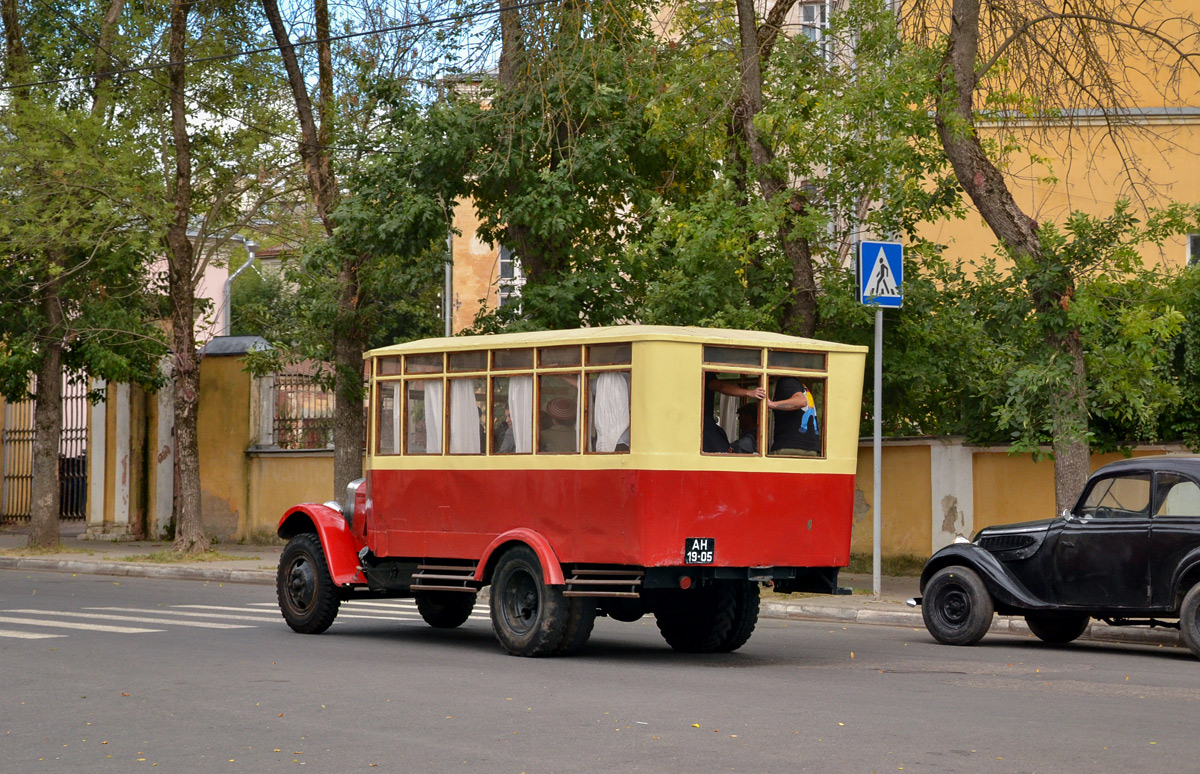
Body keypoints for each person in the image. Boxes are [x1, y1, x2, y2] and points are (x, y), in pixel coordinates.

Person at [703, 374, 765, 454]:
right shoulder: (710, 429)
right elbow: (720, 386)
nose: (739, 419)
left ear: (748, 417)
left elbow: (721, 386)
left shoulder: (749, 439)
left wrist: (750, 393)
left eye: (741, 416)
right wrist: (749, 392)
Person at [767, 377, 820, 456]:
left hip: (789, 447)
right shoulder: (801, 387)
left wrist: (771, 404)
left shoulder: (787, 381)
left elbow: (801, 402)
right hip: (811, 449)